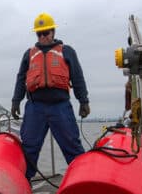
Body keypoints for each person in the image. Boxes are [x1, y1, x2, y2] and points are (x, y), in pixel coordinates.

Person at [11, 12, 90, 183]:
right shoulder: (29, 54)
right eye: (39, 33)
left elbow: (77, 77)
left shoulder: (66, 51)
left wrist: (83, 101)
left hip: (60, 106)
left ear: (53, 32)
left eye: (45, 32)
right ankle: (23, 185)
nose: (42, 36)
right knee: (29, 148)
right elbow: (20, 78)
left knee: (72, 145)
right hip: (35, 107)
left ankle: (83, 182)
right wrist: (15, 101)